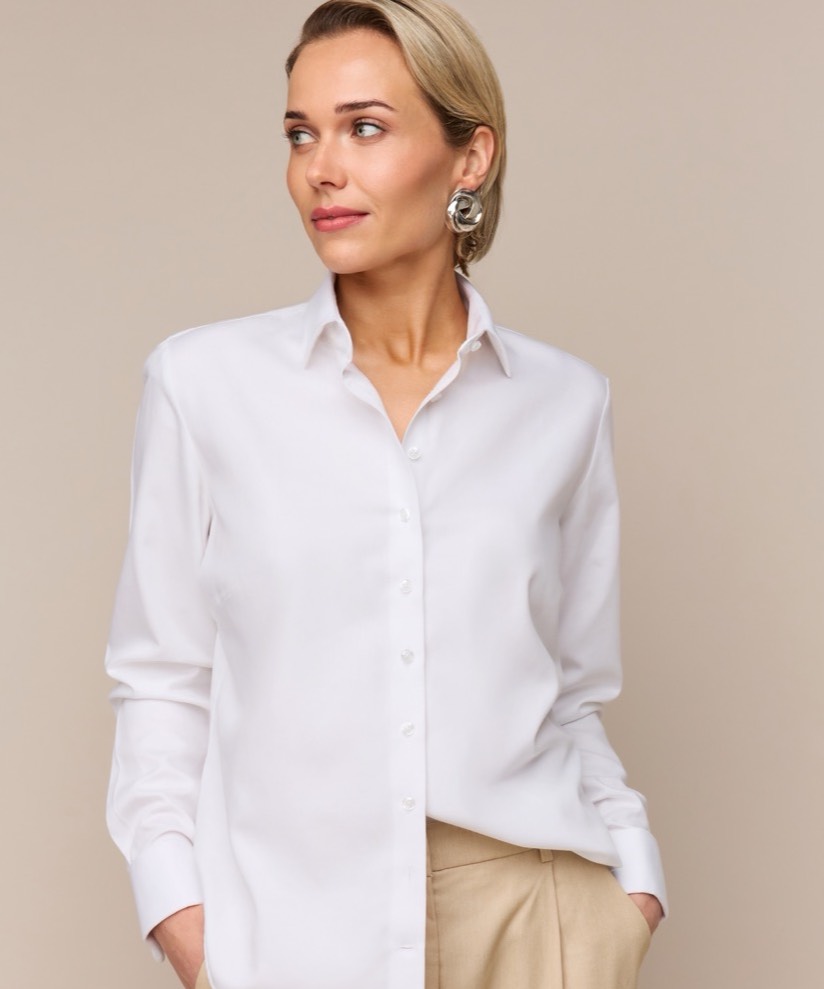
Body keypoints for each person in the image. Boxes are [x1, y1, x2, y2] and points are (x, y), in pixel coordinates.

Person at [104, 2, 667, 988]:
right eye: (300, 134)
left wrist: (633, 881)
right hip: (295, 923)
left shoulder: (565, 402)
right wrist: (176, 908)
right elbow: (161, 675)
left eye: (363, 127)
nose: (321, 168)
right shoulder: (203, 386)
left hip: (534, 918)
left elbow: (574, 689)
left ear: (468, 157)